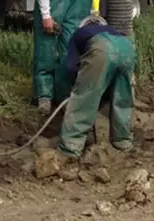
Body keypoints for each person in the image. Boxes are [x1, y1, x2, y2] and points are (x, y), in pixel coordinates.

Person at [57, 14, 136, 158]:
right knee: (122, 96)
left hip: (102, 48)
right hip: (127, 48)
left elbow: (70, 68)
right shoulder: (112, 30)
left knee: (84, 96)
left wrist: (77, 85)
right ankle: (123, 140)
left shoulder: (78, 35)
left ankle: (71, 147)